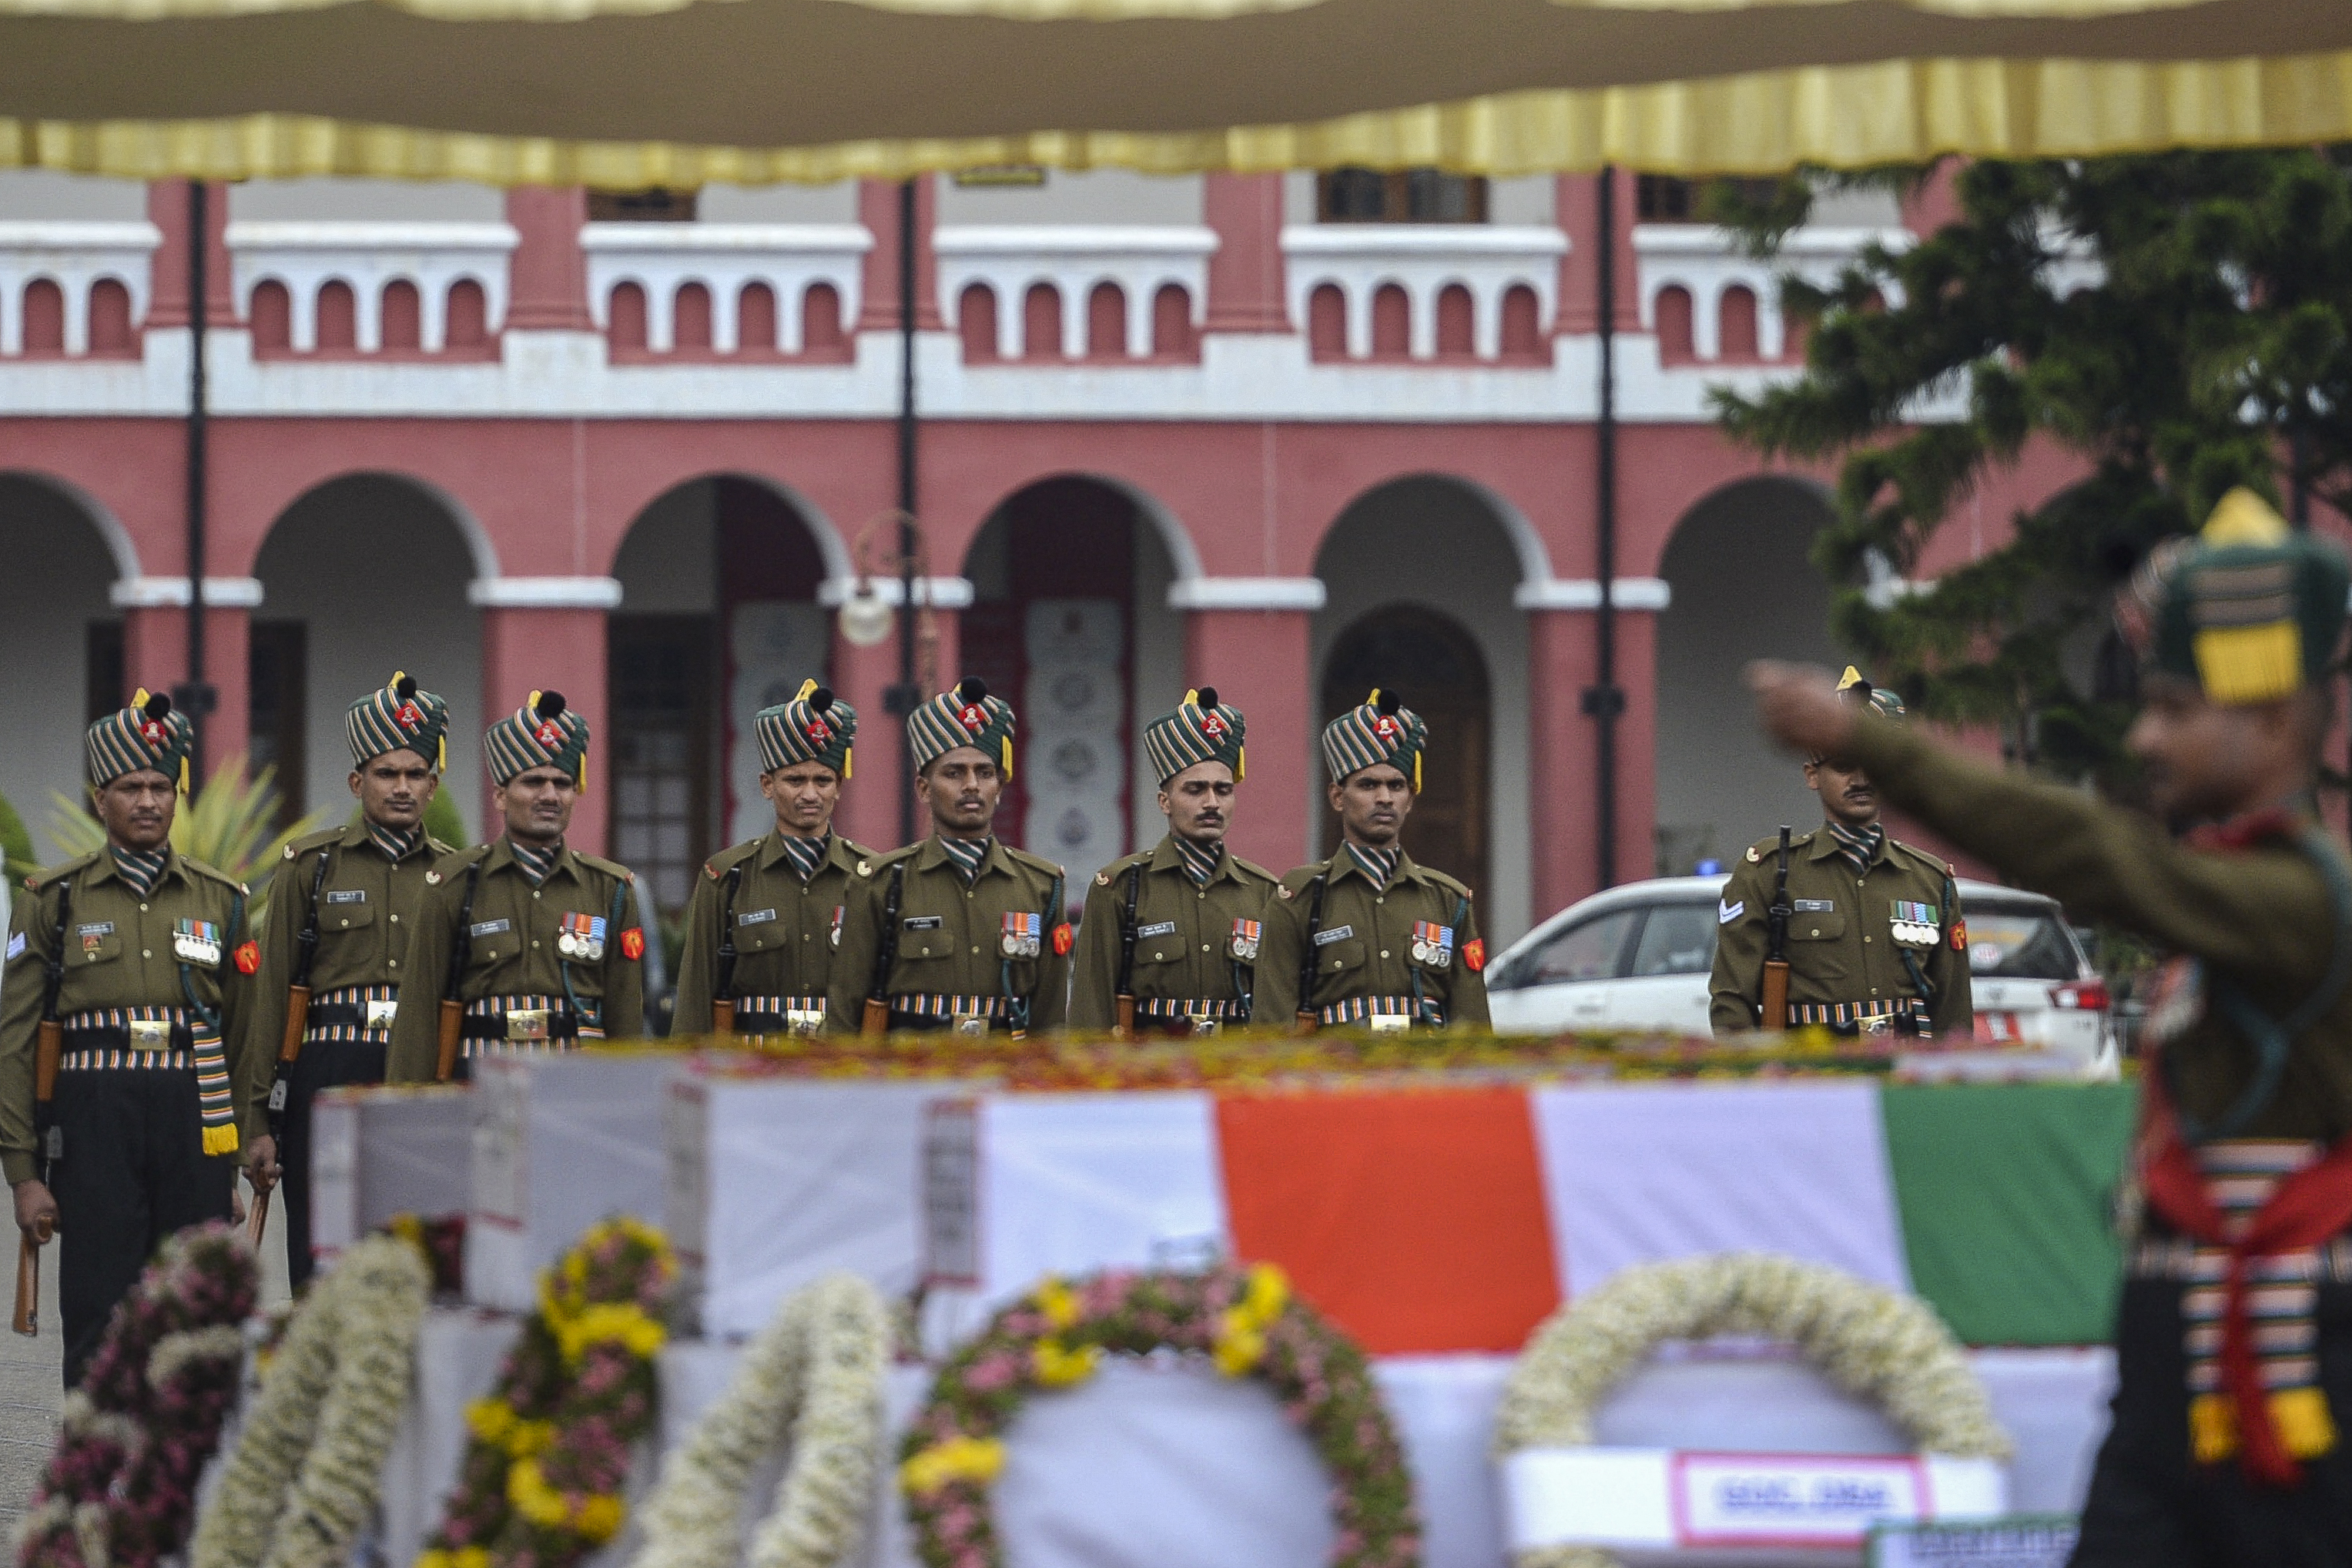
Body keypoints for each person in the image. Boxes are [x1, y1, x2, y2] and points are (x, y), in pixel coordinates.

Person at [1748, 489, 2352, 1567]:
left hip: (2292, 1372)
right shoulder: (2234, 894)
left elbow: (2092, 857)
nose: (2143, 737)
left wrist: (1871, 744)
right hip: (2184, 1366)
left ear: (2267, 722)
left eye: (2171, 709)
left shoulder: (2300, 902)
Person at [0, 693, 260, 1384]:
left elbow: (241, 1038)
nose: (147, 801)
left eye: (160, 787)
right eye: (129, 788)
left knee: (197, 1308)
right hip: (95, 1118)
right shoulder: (54, 899)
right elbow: (16, 1041)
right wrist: (25, 1175)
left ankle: (186, 1473)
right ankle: (94, 1474)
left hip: (191, 1112)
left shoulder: (221, 901)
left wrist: (227, 1160)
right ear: (99, 798)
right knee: (98, 1307)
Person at [240, 673, 454, 1286]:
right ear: (357, 782)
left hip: (419, 1071)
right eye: (388, 774)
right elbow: (272, 994)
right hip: (327, 1067)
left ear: (433, 786)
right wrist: (257, 1121)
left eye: (416, 774)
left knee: (415, 1250)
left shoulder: (456, 876)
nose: (403, 787)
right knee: (322, 1250)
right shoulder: (311, 866)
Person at [387, 692, 645, 1081]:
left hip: (576, 1081)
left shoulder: (610, 888)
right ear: (501, 797)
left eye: (562, 783)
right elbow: (418, 1014)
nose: (549, 796)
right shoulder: (454, 884)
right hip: (480, 1077)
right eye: (533, 782)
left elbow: (626, 1019)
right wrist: (408, 1115)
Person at [1708, 668, 1972, 1037]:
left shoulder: (1929, 879)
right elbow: (1731, 1002)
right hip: (1812, 1078)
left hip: (1904, 1076)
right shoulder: (1771, 873)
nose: (1861, 780)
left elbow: (1954, 1010)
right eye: (1843, 767)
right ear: (1812, 776)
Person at [826, 678, 1070, 1035]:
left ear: (999, 788)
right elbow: (846, 1008)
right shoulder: (881, 882)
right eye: (954, 773)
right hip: (911, 1075)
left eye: (985, 773)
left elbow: (1050, 1019)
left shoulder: (1041, 885)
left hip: (1004, 1072)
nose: (971, 785)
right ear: (924, 789)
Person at [1255, 689, 1489, 1030]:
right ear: (1337, 797)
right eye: (1367, 785)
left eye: (1396, 786)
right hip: (1335, 1075)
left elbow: (1473, 1025)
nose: (1384, 798)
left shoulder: (1448, 900)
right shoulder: (1300, 898)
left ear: (1410, 799)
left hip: (1425, 1077)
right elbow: (1273, 1025)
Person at [672, 681, 876, 1037]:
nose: (810, 794)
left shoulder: (873, 876)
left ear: (839, 786)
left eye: (823, 780)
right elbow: (695, 999)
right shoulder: (727, 876)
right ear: (767, 785)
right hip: (753, 1073)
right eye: (795, 780)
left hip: (842, 1071)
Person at [1070, 689, 1278, 1034]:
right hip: (1150, 1073)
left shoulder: (1264, 892)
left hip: (1236, 1069)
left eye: (1223, 790)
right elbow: (1091, 1011)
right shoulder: (1122, 887)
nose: (1212, 803)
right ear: (1165, 801)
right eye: (1195, 790)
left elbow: (1275, 1012)